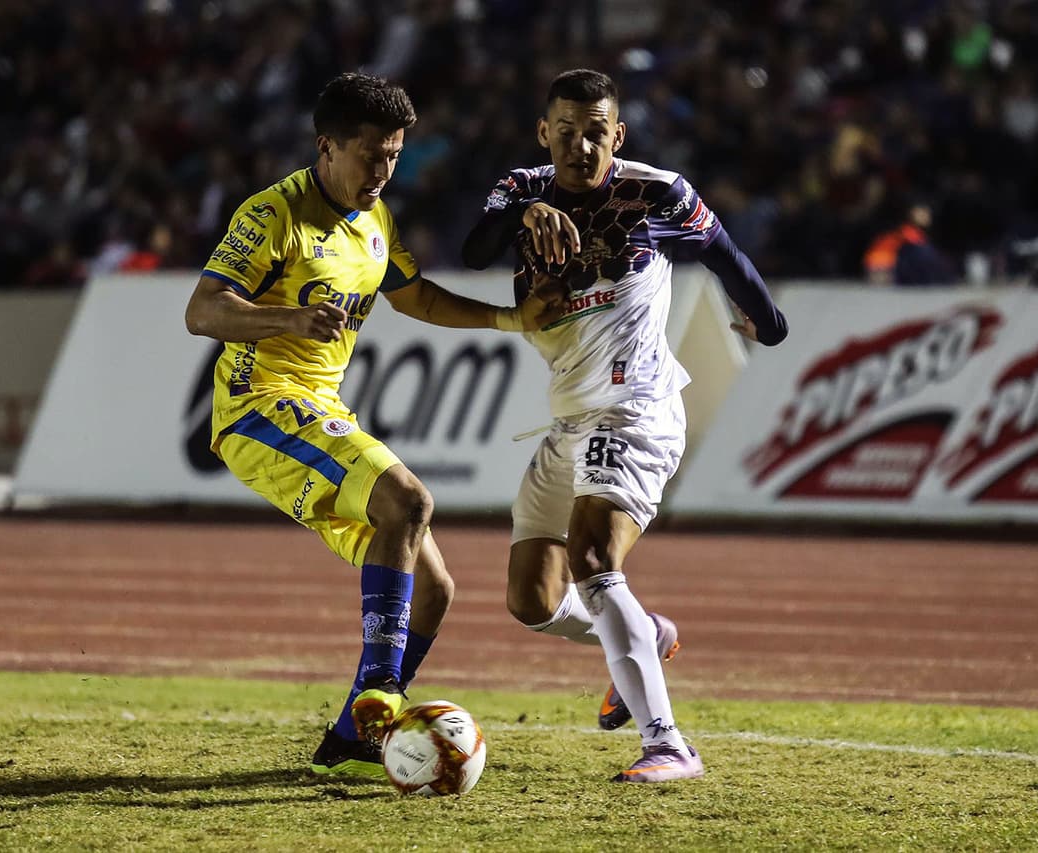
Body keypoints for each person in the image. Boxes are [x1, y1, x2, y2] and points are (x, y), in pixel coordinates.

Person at [184, 72, 559, 778]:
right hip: (258, 403)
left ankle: (352, 736)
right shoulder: (274, 215)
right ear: (327, 147)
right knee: (409, 500)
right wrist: (286, 318)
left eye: (393, 156)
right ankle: (382, 695)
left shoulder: (375, 219)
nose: (383, 172)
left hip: (318, 408)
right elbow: (202, 310)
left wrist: (508, 318)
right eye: (370, 156)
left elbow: (413, 295)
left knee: (437, 587)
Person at [460, 69, 788, 783]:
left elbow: (725, 256)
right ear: (545, 133)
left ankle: (668, 742)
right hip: (571, 415)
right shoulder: (520, 190)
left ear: (619, 132)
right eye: (567, 131)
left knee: (595, 555)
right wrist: (524, 216)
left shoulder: (657, 193)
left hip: (636, 407)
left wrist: (769, 322)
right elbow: (473, 251)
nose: (582, 145)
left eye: (597, 131)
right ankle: (645, 634)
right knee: (532, 599)